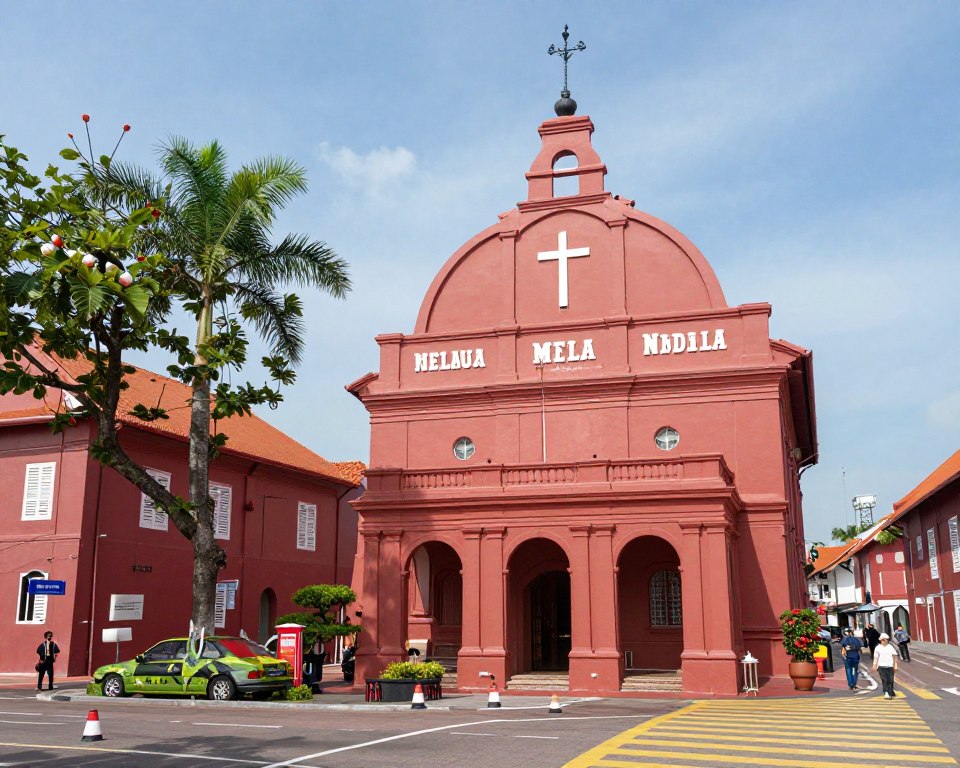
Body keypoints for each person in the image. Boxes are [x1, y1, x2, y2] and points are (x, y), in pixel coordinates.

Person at [873, 632, 899, 699]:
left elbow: (895, 655)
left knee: (890, 680)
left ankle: (891, 691)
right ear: (881, 640)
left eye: (887, 639)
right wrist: (874, 665)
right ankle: (886, 692)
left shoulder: (890, 647)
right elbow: (876, 657)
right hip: (881, 666)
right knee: (884, 680)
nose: (886, 641)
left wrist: (895, 665)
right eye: (884, 640)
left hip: (890, 666)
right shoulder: (878, 648)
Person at [839, 627, 864, 691]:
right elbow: (860, 649)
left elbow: (843, 650)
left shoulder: (844, 640)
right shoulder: (857, 640)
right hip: (855, 657)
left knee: (848, 671)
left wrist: (844, 655)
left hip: (848, 658)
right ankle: (854, 683)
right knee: (855, 671)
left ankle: (851, 684)